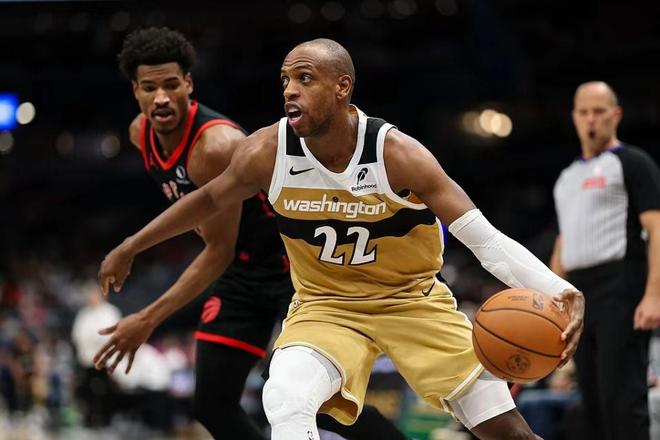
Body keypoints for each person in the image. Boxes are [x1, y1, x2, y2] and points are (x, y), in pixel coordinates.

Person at [96, 38, 585, 440]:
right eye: (285, 80)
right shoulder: (267, 150)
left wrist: (559, 290)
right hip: (325, 306)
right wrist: (131, 245)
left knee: (505, 431)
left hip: (410, 301)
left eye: (305, 79)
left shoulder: (397, 154)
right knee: (284, 400)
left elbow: (484, 240)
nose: (290, 90)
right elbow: (206, 200)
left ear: (342, 87)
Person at [95, 28, 405, 440]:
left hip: (293, 268)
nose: (162, 98)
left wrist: (147, 316)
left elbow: (217, 249)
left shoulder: (216, 146)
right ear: (136, 90)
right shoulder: (141, 134)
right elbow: (202, 220)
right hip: (242, 274)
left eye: (172, 85)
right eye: (150, 88)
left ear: (189, 84)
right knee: (212, 405)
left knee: (314, 399)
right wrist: (132, 247)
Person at [550, 81, 660, 440]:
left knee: (622, 397)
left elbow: (656, 228)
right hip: (579, 293)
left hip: (621, 286)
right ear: (574, 118)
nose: (591, 119)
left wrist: (654, 295)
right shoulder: (566, 178)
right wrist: (548, 297)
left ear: (616, 115)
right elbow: (564, 241)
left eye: (599, 111)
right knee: (591, 400)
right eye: (584, 112)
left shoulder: (633, 163)